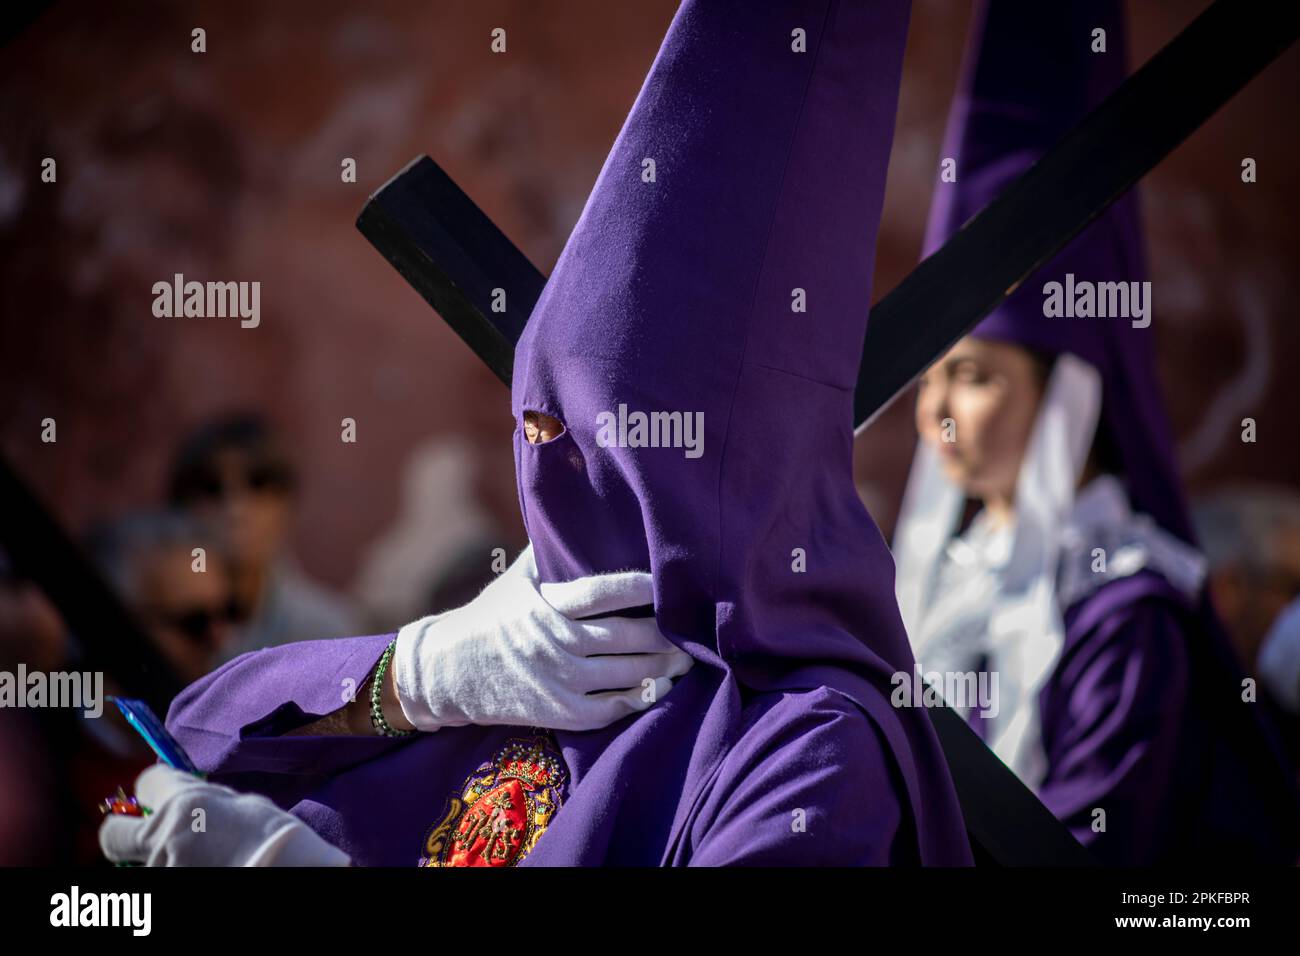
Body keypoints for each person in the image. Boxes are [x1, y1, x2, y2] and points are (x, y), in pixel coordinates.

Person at [101, 0, 973, 868]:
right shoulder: (533, 644)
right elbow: (198, 735)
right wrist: (421, 676)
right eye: (535, 417)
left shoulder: (808, 749)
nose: (542, 454)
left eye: (585, 426)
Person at [892, 0, 1300, 864]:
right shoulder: (932, 587)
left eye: (972, 375)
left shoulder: (1126, 616)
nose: (935, 413)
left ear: (1064, 395)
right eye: (926, 379)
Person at [168, 413, 360, 660]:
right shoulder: (158, 628)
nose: (235, 509)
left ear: (286, 503)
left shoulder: (327, 633)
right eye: (212, 487)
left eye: (258, 483)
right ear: (181, 508)